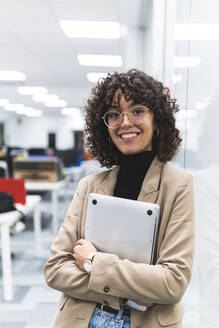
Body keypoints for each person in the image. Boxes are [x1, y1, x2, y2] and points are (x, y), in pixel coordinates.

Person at [44, 69, 195, 328]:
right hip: (81, 319)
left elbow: (172, 282)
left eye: (137, 110)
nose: (125, 122)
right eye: (114, 114)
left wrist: (93, 262)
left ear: (156, 119)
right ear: (105, 126)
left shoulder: (179, 186)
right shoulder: (89, 185)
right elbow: (56, 269)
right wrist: (136, 289)